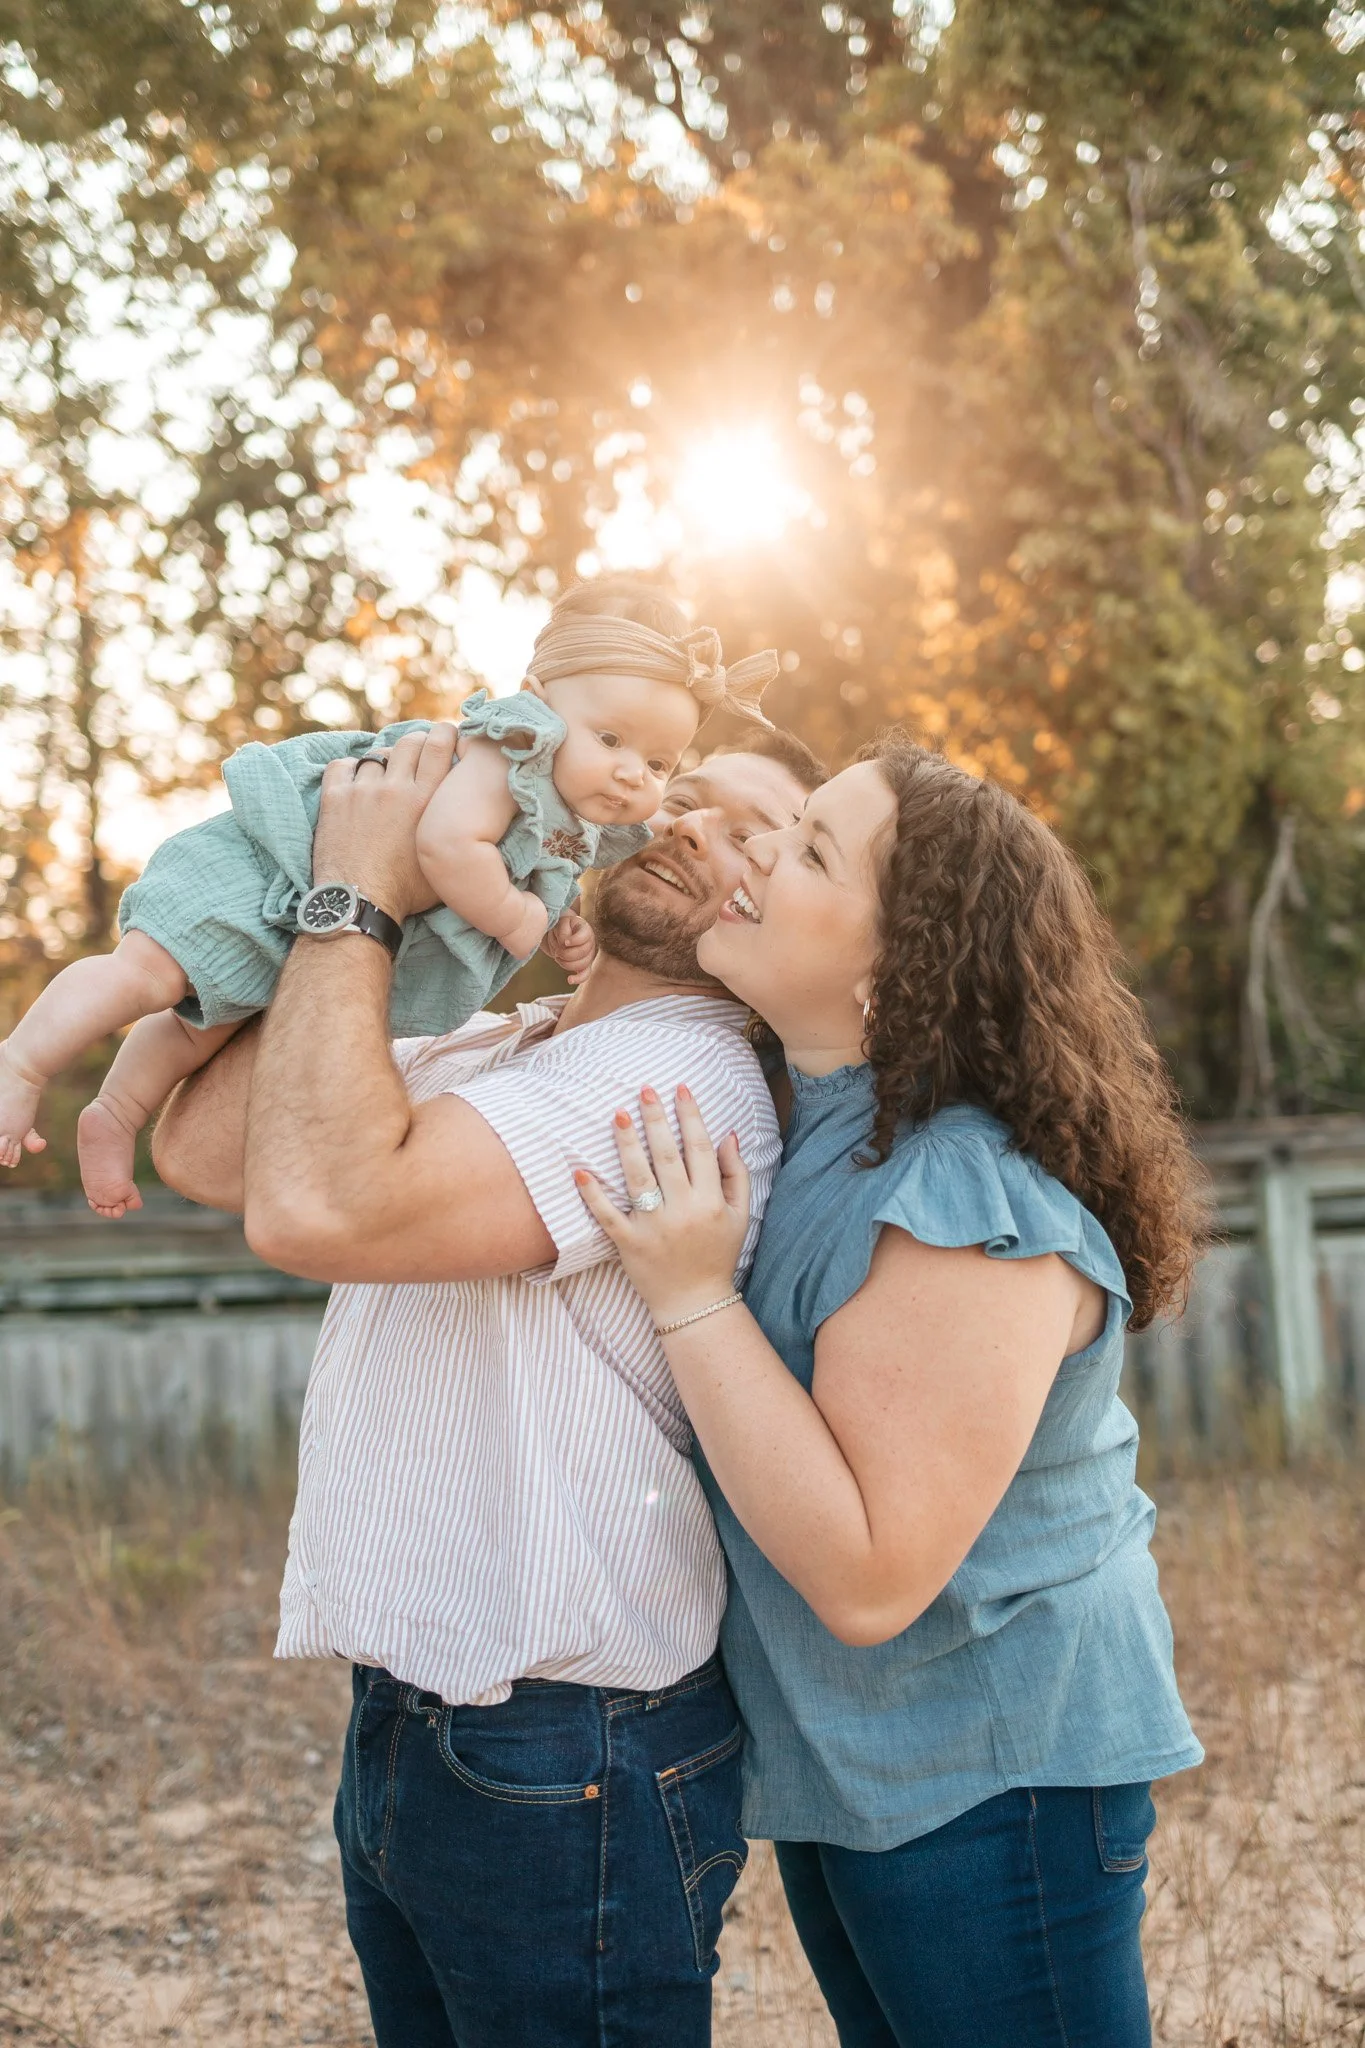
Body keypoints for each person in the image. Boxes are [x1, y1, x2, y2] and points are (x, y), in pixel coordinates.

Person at [151, 678, 828, 2048]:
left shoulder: (678, 1084)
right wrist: (404, 896)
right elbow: (206, 1147)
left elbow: (318, 1208)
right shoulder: (513, 1038)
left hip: (567, 1748)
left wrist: (354, 892)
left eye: (755, 835)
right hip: (421, 1719)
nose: (689, 823)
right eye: (684, 791)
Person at [576, 733, 1208, 2048]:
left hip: (996, 1775)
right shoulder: (810, 1114)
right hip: (859, 1770)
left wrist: (691, 1294)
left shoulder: (962, 1197)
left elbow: (871, 1577)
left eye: (806, 850)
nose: (748, 857)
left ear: (893, 960)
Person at [0, 579, 778, 1220]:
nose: (631, 775)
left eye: (656, 761)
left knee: (202, 1021)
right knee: (146, 977)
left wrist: (559, 929)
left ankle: (119, 1111)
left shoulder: (566, 821)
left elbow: (531, 878)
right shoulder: (504, 750)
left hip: (318, 898)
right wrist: (515, 919)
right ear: (538, 705)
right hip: (272, 863)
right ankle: (24, 1063)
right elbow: (447, 847)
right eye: (610, 740)